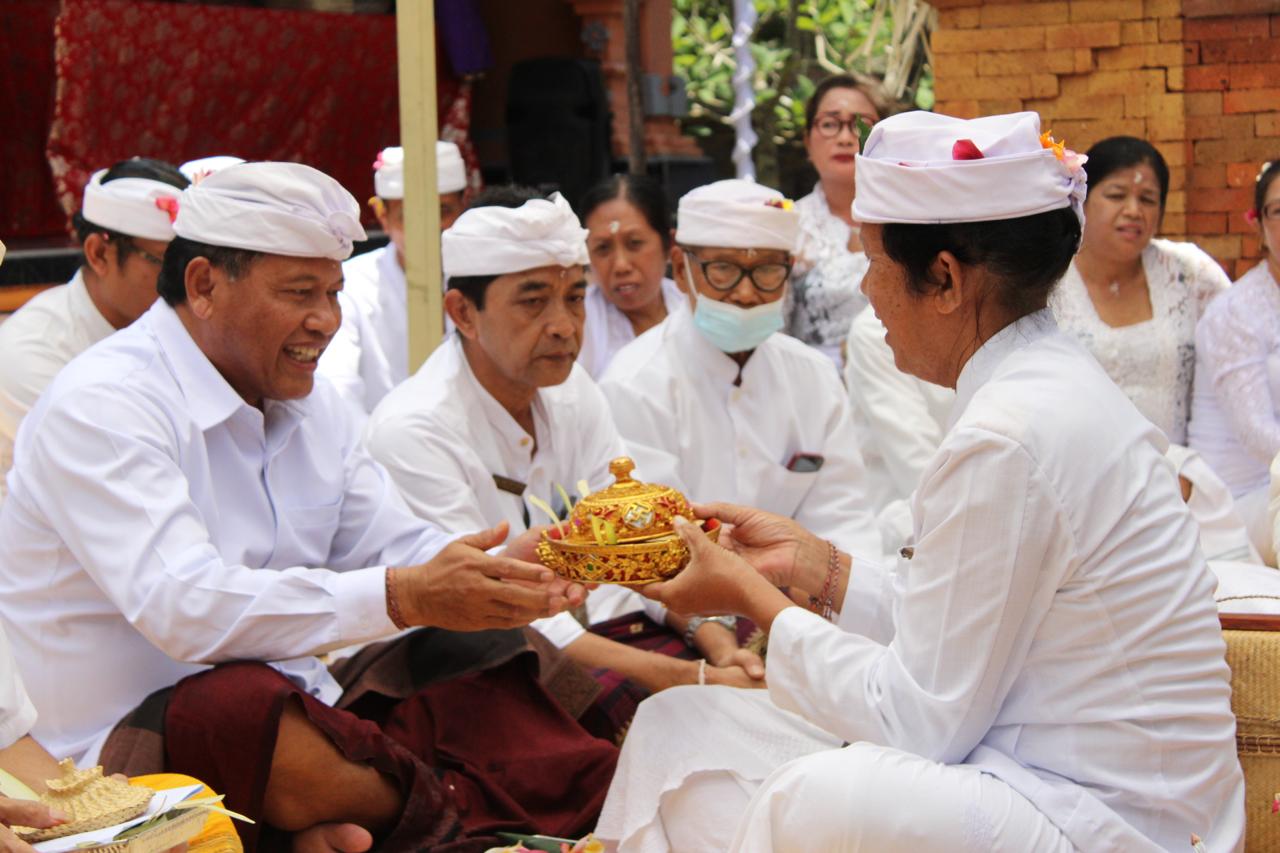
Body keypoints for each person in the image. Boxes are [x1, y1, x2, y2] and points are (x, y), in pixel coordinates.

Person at [596, 111, 1244, 853]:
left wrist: (752, 597)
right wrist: (822, 570)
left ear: (943, 278)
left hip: (1110, 816)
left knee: (818, 796)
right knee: (685, 727)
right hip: (1029, 758)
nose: (867, 290)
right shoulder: (1033, 385)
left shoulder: (1013, 429)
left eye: (873, 261)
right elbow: (956, 626)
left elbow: (921, 720)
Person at [0, 162, 617, 852]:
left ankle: (517, 799)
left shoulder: (308, 400)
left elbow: (395, 548)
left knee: (478, 643)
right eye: (300, 292)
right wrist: (408, 595)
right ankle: (462, 819)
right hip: (111, 750)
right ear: (204, 284)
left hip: (307, 703)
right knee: (239, 708)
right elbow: (186, 609)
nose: (325, 320)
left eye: (333, 291)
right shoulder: (107, 402)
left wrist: (498, 573)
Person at [365, 187, 765, 738]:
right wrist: (687, 676)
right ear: (463, 312)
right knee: (642, 713)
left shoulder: (568, 386)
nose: (563, 326)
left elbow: (636, 551)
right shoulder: (414, 429)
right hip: (499, 657)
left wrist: (717, 643)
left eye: (575, 299)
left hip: (606, 628)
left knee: (760, 645)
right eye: (533, 301)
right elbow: (493, 618)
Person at [599, 179, 883, 561]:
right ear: (682, 271)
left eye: (766, 270)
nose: (746, 293)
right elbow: (651, 544)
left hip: (806, 605)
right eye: (723, 269)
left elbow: (844, 521)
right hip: (685, 608)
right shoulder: (634, 384)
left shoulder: (814, 377)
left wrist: (823, 603)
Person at [0, 157, 188, 499]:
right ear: (99, 253)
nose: (186, 285)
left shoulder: (180, 329)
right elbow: (113, 492)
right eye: (164, 264)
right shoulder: (34, 352)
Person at [1050, 136, 1229, 446]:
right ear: (1082, 201)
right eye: (1117, 195)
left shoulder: (1192, 273)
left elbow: (1232, 372)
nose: (1134, 210)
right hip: (1080, 480)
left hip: (1181, 480)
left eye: (1147, 199)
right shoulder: (1047, 283)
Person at [319, 142, 468, 414]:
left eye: (443, 211)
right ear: (383, 217)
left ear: (462, 209)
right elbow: (338, 389)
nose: (429, 227)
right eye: (410, 216)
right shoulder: (350, 285)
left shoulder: (490, 276)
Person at [1193, 160, 1280, 559]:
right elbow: (1258, 434)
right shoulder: (1235, 311)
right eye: (1279, 211)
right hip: (1239, 504)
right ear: (1259, 224)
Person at [786, 74, 886, 368]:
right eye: (830, 124)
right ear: (807, 141)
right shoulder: (785, 224)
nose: (845, 138)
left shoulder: (913, 220)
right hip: (812, 388)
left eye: (859, 125)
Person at [576, 174, 686, 378]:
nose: (621, 266)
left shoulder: (695, 311)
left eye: (634, 243)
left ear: (669, 245)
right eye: (602, 248)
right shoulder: (575, 326)